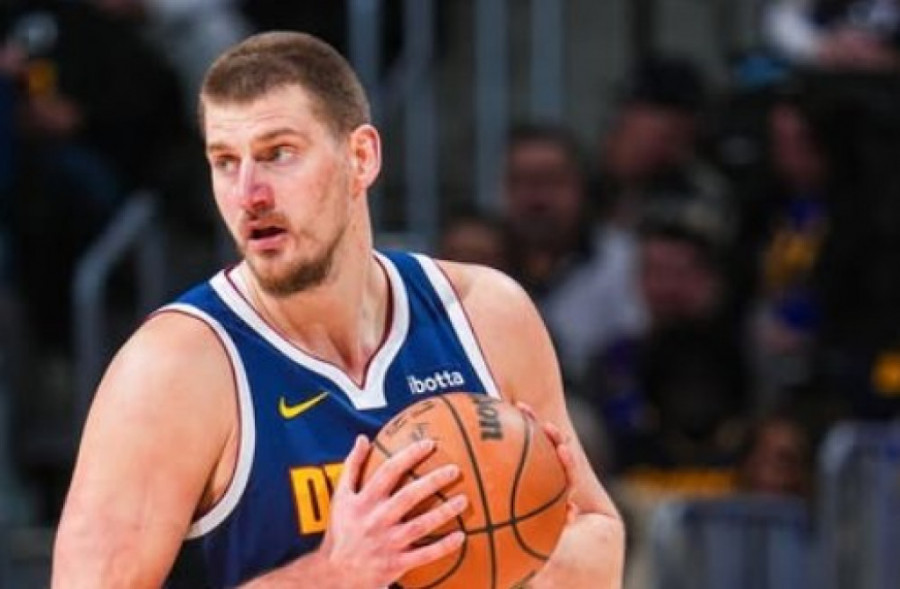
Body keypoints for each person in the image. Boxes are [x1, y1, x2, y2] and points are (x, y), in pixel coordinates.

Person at [52, 31, 624, 588]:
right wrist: (333, 574)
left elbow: (596, 534)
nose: (249, 194)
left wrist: (523, 543)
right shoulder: (173, 369)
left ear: (361, 157)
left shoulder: (484, 314)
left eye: (278, 154)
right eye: (225, 161)